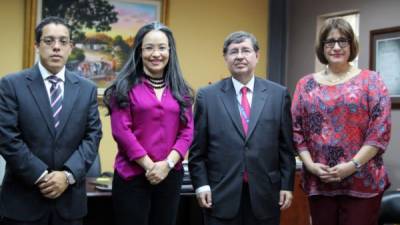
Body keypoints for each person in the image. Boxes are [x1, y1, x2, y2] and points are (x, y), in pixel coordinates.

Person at [0, 16, 102, 225]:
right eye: (49, 41)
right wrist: (41, 175)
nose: (56, 47)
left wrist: (66, 176)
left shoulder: (86, 89)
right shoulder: (12, 84)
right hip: (23, 203)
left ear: (71, 47)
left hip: (69, 204)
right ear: (37, 45)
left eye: (63, 42)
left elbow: (93, 136)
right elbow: (7, 137)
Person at [189, 31, 296, 225]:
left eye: (246, 50)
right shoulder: (207, 96)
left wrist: (287, 185)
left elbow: (286, 147)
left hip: (266, 194)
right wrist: (201, 185)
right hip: (219, 194)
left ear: (257, 55)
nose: (239, 56)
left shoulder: (278, 95)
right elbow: (197, 151)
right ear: (225, 57)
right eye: (233, 52)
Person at [291, 18, 391, 225]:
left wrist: (352, 165)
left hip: (362, 180)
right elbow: (296, 130)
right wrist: (309, 165)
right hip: (320, 181)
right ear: (322, 47)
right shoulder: (305, 84)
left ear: (352, 45)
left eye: (343, 41)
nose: (336, 47)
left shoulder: (371, 81)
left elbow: (379, 131)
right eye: (330, 42)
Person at [103, 22, 194, 225]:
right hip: (132, 177)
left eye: (162, 47)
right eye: (149, 48)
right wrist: (150, 166)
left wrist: (167, 164)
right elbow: (122, 131)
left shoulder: (182, 91)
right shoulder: (123, 88)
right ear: (139, 51)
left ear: (170, 51)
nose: (156, 54)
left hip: (170, 176)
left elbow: (187, 131)